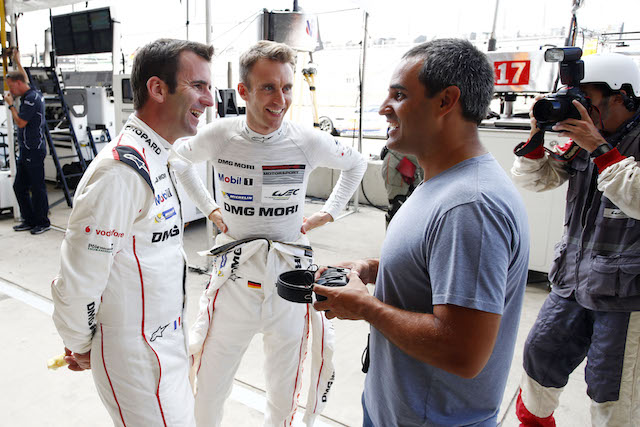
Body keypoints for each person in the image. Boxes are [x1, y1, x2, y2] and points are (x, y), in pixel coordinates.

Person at [311, 38, 530, 426]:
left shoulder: (470, 206)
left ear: (446, 101)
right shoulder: (441, 182)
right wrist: (373, 269)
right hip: (395, 409)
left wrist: (364, 307)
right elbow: (436, 265)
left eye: (399, 95)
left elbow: (463, 352)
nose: (384, 108)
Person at [170, 40, 367, 426]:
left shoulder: (306, 139)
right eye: (268, 87)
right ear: (243, 91)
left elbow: (356, 164)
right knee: (209, 386)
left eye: (287, 87)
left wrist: (328, 213)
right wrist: (208, 206)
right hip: (234, 282)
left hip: (289, 285)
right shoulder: (221, 134)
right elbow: (178, 157)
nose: (280, 99)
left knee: (284, 394)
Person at [51, 38, 214, 426]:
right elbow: (78, 284)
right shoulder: (121, 172)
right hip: (136, 360)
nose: (209, 100)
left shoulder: (161, 157)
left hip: (166, 343)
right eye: (199, 86)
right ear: (157, 88)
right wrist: (82, 344)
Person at [512, 52, 640, 427]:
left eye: (586, 100)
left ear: (623, 97)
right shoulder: (583, 140)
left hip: (626, 295)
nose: (578, 109)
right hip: (572, 280)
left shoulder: (607, 141)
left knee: (611, 386)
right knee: (540, 357)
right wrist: (537, 135)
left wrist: (600, 148)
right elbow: (535, 180)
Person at [4, 48, 49, 234]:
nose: (10, 91)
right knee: (19, 186)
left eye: (11, 87)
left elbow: (21, 122)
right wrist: (17, 60)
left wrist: (11, 105)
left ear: (19, 84)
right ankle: (29, 219)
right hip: (25, 149)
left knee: (37, 187)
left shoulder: (31, 100)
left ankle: (42, 222)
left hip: (33, 149)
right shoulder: (30, 91)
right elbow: (24, 77)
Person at [379, 145, 423, 227]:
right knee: (397, 207)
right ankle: (393, 239)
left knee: (418, 207)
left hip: (418, 164)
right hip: (398, 160)